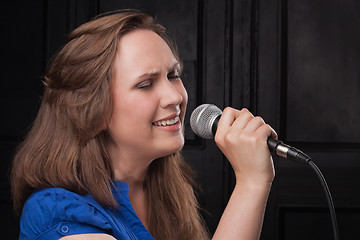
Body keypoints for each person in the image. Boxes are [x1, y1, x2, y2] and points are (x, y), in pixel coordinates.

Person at [11, 9, 277, 240]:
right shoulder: (58, 212)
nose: (175, 97)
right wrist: (251, 182)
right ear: (91, 110)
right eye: (145, 84)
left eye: (173, 75)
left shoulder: (167, 188)